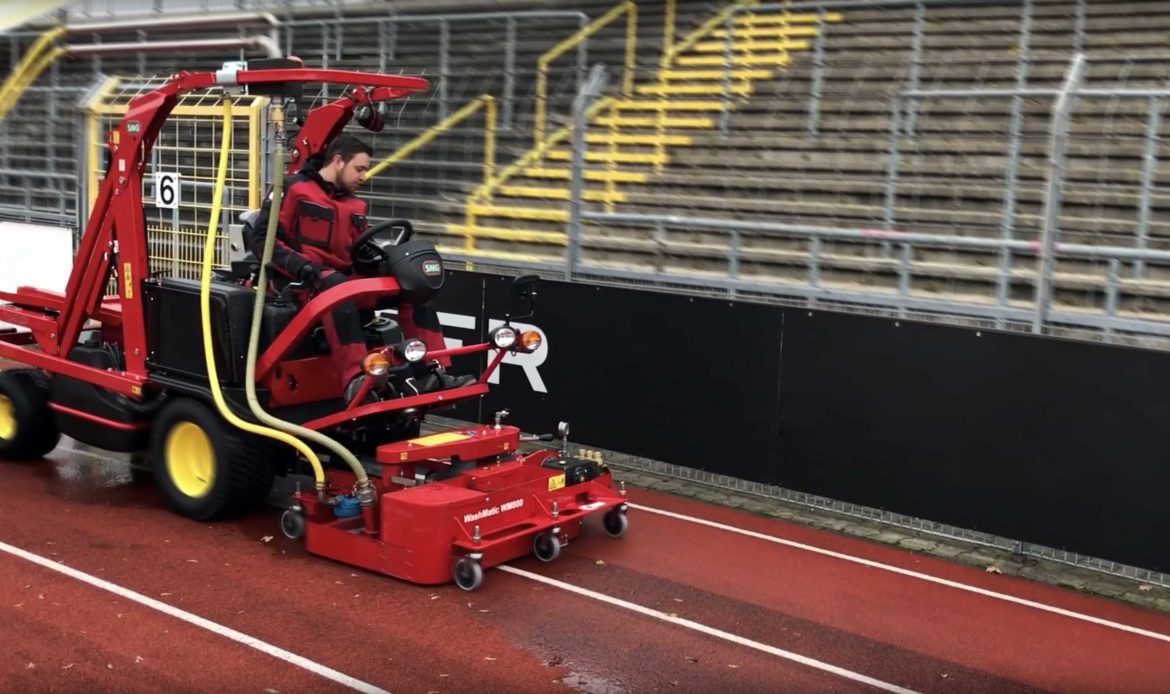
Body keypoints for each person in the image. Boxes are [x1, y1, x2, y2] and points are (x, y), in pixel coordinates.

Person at [245, 134, 474, 401]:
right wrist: (304, 267)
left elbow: (357, 252)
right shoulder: (293, 188)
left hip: (341, 282)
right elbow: (263, 242)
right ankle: (355, 379)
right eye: (360, 168)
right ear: (339, 161)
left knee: (414, 290)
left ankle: (430, 373)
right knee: (339, 289)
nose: (363, 176)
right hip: (301, 285)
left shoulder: (356, 205)